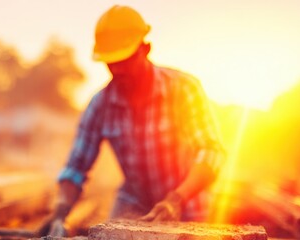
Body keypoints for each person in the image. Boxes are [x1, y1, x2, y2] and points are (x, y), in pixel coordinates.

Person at [39, 5, 224, 237]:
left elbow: (211, 153)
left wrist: (176, 199)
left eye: (124, 60)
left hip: (187, 202)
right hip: (134, 202)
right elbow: (76, 166)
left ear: (145, 49)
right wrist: (60, 212)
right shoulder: (100, 104)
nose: (117, 69)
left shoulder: (184, 89)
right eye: (110, 62)